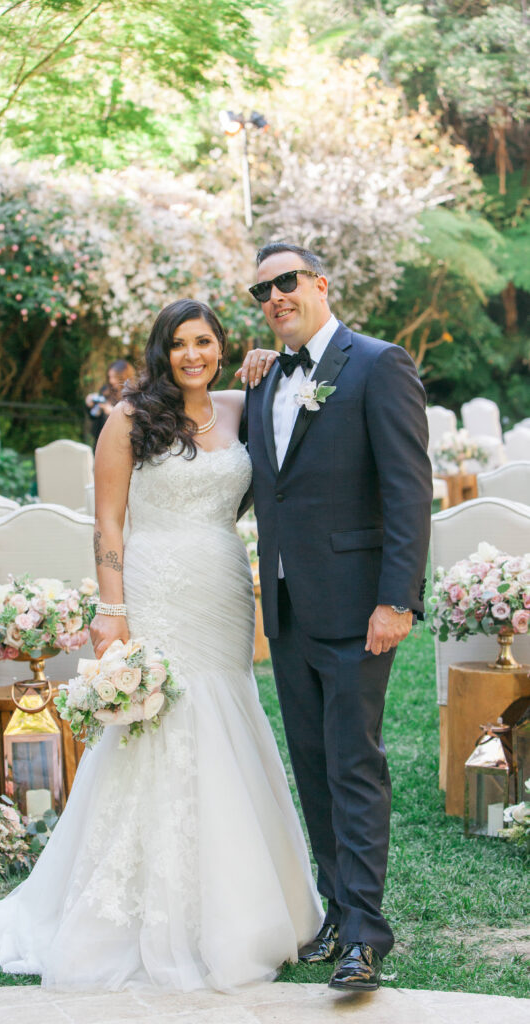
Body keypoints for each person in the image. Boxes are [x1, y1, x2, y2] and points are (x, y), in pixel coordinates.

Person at [0, 298, 324, 991]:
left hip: (223, 587)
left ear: (221, 347)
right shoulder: (129, 418)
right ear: (159, 352)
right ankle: (138, 912)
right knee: (160, 725)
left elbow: (296, 391)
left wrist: (268, 361)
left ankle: (252, 902)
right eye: (178, 344)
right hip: (154, 586)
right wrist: (111, 609)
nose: (192, 355)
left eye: (204, 341)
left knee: (226, 711)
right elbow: (108, 523)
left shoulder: (240, 404)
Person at [239, 243, 432, 992]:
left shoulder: (377, 364)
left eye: (286, 281)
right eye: (262, 290)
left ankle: (364, 935)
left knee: (354, 766)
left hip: (358, 608)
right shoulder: (263, 378)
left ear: (320, 283)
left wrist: (395, 599)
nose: (275, 296)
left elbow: (408, 489)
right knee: (314, 769)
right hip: (286, 608)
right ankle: (334, 911)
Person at [85, 359, 135, 447]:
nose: (111, 381)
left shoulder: (132, 394)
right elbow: (93, 416)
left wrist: (112, 411)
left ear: (123, 376)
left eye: (115, 377)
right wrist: (90, 405)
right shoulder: (106, 390)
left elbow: (133, 420)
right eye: (110, 377)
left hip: (121, 440)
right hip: (101, 437)